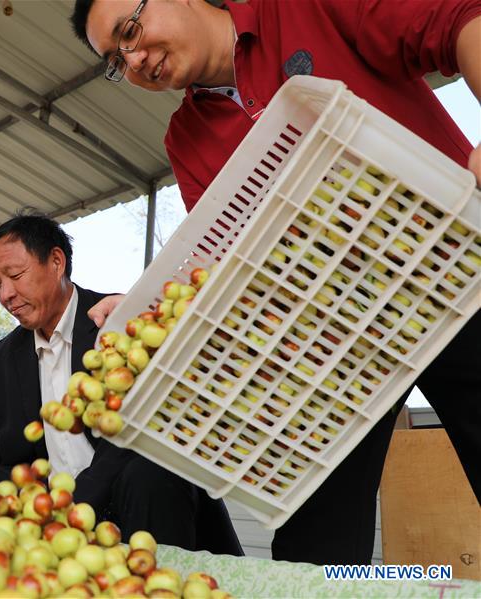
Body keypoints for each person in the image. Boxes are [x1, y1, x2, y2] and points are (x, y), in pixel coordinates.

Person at [71, 0, 481, 565]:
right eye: (117, 60)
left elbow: (460, 23)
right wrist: (155, 310)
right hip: (335, 348)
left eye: (131, 31)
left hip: (456, 270)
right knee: (313, 552)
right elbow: (229, 261)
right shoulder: (187, 137)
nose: (136, 59)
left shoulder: (300, 8)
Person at [0, 213, 242, 553]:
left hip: (122, 491)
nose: (6, 294)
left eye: (16, 276)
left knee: (148, 470)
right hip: (49, 495)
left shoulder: (118, 318)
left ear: (56, 262)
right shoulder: (8, 354)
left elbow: (139, 432)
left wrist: (72, 507)